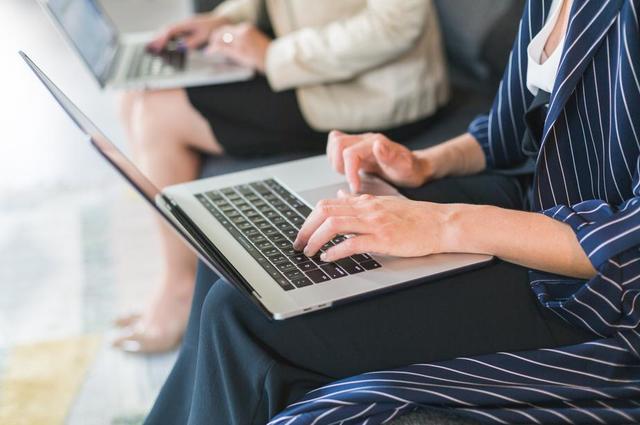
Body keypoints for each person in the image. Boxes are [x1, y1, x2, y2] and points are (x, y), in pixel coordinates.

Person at [143, 0, 640, 424]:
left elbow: (628, 245)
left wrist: (440, 224)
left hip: (595, 292)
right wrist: (421, 163)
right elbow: (507, 130)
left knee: (241, 313)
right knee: (237, 253)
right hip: (535, 204)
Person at [115, 0, 449, 353]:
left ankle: (180, 286)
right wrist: (223, 21)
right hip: (310, 69)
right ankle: (179, 276)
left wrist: (275, 56)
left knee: (157, 113)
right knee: (136, 92)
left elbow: (400, 21)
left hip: (373, 87)